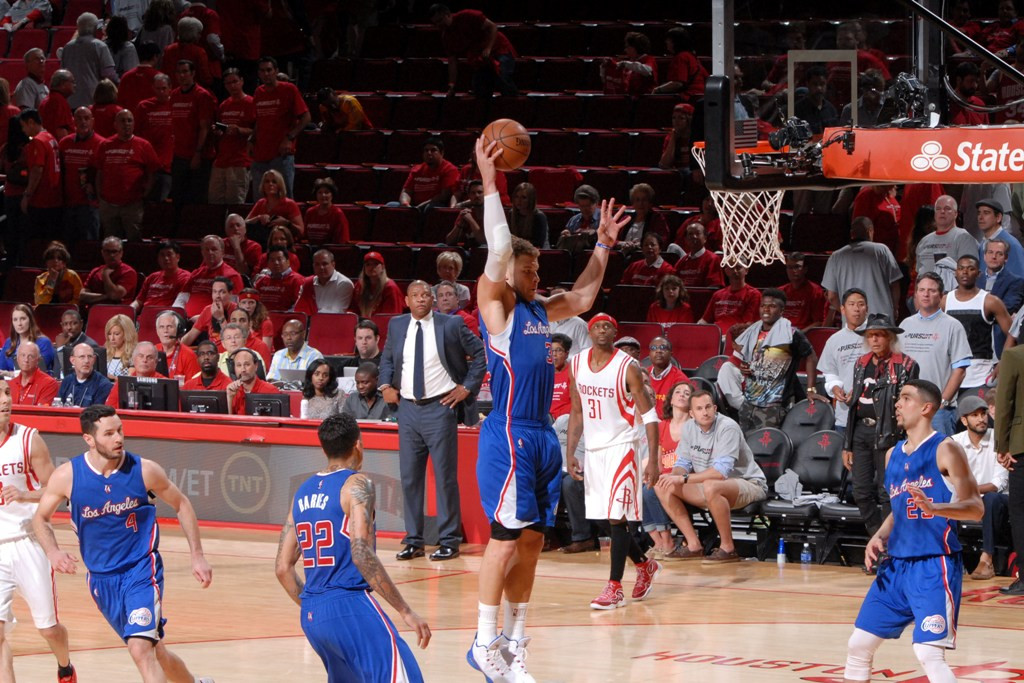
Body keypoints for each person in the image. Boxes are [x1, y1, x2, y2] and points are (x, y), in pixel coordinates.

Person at [468, 137, 628, 681]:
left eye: (538, 270)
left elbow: (582, 298)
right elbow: (497, 247)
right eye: (529, 271)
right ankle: (483, 640)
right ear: (508, 272)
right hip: (509, 434)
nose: (537, 277)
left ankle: (514, 643)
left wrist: (602, 245)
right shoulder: (497, 306)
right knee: (504, 539)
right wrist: (490, 181)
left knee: (533, 541)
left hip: (540, 436)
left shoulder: (539, 309)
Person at [32, 404, 215, 683]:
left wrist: (197, 555)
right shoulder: (68, 476)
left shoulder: (144, 470)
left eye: (120, 430)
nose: (118, 438)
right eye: (109, 434)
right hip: (102, 579)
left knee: (140, 649)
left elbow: (182, 504)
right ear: (89, 439)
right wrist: (53, 552)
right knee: (156, 652)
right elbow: (41, 518)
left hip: (141, 570)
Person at [843, 379, 983, 681]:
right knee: (858, 645)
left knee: (928, 653)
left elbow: (975, 507)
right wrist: (879, 535)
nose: (897, 403)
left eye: (906, 398)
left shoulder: (946, 449)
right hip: (896, 566)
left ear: (926, 408)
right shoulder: (892, 454)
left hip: (934, 565)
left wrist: (936, 508)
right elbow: (900, 508)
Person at [275, 413, 430, 681]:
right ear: (358, 445)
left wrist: (316, 607)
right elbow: (361, 553)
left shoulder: (302, 492)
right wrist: (405, 611)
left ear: (324, 449)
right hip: (350, 605)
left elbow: (282, 567)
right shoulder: (357, 483)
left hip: (312, 614)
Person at [379, 280, 486, 561]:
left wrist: (466, 387)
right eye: (416, 295)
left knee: (444, 478)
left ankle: (449, 540)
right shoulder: (397, 325)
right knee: (409, 478)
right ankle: (414, 540)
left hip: (440, 407)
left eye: (426, 294)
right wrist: (385, 385)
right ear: (406, 300)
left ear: (433, 299)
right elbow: (387, 358)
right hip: (407, 409)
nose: (421, 299)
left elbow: (480, 354)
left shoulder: (451, 325)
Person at [565, 313, 661, 609]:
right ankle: (644, 564)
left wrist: (653, 460)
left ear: (615, 333)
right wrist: (570, 452)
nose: (602, 330)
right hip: (594, 449)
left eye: (608, 326)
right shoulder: (576, 364)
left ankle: (614, 587)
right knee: (602, 518)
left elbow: (650, 415)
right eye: (597, 326)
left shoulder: (627, 366)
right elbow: (577, 411)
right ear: (589, 332)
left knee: (617, 516)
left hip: (623, 447)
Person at [0, 380, 78, 682]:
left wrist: (24, 495)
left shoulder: (28, 439)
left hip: (28, 540)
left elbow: (58, 488)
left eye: (7, 393)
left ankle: (65, 666)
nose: (5, 400)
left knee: (48, 629)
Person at [655, 390, 768, 562]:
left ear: (715, 408)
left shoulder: (728, 427)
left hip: (748, 483)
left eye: (708, 407)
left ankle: (728, 548)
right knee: (661, 485)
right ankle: (693, 545)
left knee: (711, 485)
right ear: (691, 413)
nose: (705, 412)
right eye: (699, 409)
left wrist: (683, 479)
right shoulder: (689, 428)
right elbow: (683, 463)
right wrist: (673, 476)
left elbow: (720, 473)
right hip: (709, 486)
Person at [843, 314, 920, 538]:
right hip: (860, 431)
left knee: (888, 492)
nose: (874, 340)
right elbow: (855, 405)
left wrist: (908, 440)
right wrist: (847, 444)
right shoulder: (861, 363)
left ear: (890, 338)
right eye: (870, 335)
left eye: (880, 335)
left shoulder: (906, 365)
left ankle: (889, 542)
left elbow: (910, 405)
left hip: (889, 433)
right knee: (860, 491)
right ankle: (877, 538)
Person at [735, 288, 825, 431]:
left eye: (772, 306)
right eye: (763, 305)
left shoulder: (791, 333)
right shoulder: (753, 331)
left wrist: (811, 389)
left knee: (768, 443)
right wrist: (744, 367)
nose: (766, 309)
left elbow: (811, 357)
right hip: (749, 401)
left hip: (774, 405)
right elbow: (749, 359)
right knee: (744, 442)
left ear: (782, 310)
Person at [899, 273, 974, 436]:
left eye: (932, 291)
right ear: (916, 294)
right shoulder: (905, 325)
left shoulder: (953, 326)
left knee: (939, 452)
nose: (926, 294)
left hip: (938, 410)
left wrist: (942, 402)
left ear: (941, 295)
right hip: (908, 407)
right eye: (921, 290)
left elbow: (960, 370)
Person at [952, 395, 1008, 581]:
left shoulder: (998, 439)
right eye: (975, 415)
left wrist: (967, 491)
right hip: (966, 500)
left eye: (983, 414)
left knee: (991, 498)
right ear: (964, 420)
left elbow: (998, 484)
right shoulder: (954, 443)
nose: (981, 419)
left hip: (998, 501)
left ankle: (986, 559)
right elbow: (949, 480)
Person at [942, 254, 1015, 395]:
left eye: (970, 269)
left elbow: (1013, 334)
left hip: (980, 375)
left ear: (978, 273)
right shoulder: (945, 301)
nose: (965, 272)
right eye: (961, 268)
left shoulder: (990, 301)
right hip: (949, 375)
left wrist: (1003, 362)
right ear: (955, 272)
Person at [250, 56, 310, 199]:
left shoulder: (289, 89)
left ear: (276, 71)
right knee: (260, 200)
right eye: (262, 71)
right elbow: (259, 120)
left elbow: (306, 117)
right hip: (260, 153)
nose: (266, 74)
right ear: (258, 74)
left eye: (269, 70)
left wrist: (289, 138)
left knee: (284, 198)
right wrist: (251, 139)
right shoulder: (258, 92)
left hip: (281, 154)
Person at [95, 109, 161, 240]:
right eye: (123, 121)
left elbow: (153, 172)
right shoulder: (105, 145)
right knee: (110, 241)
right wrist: (100, 197)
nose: (126, 124)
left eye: (129, 120)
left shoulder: (144, 145)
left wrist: (145, 194)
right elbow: (99, 172)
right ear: (115, 125)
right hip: (108, 204)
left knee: (134, 240)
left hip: (133, 204)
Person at [823, 217, 902, 324]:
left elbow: (832, 296)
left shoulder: (836, 256)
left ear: (852, 233)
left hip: (853, 323)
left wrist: (847, 313)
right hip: (882, 321)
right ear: (870, 231)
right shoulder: (882, 250)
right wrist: (895, 307)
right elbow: (895, 284)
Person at [644, 381, 691, 558]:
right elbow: (657, 461)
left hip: (684, 478)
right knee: (642, 487)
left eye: (687, 393)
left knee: (650, 491)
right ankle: (657, 541)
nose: (682, 395)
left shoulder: (694, 426)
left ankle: (668, 541)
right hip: (664, 476)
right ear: (670, 399)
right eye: (678, 392)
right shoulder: (662, 426)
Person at [431, 4, 517, 99]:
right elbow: (452, 62)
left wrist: (488, 48)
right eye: (436, 23)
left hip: (499, 49)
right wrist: (452, 85)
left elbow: (492, 27)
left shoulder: (468, 15)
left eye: (440, 21)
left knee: (503, 77)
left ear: (447, 14)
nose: (439, 25)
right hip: (480, 58)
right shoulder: (446, 37)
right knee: (479, 87)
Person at [994, 339, 1024, 595]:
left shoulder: (1015, 356)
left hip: (1021, 446)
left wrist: (1002, 446)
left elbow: (1004, 403)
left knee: (1021, 513)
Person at [820, 288, 870, 433]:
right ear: (842, 309)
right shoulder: (834, 340)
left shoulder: (877, 335)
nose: (856, 309)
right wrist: (835, 388)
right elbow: (830, 373)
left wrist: (861, 389)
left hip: (872, 415)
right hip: (844, 415)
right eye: (852, 304)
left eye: (861, 304)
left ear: (867, 309)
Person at [168, 59, 215, 207]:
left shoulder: (202, 95)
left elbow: (204, 127)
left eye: (185, 72)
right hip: (179, 154)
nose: (182, 75)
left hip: (198, 156)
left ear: (193, 73)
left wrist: (198, 153)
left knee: (197, 200)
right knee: (178, 198)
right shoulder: (174, 95)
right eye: (178, 72)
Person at [209, 69, 255, 205]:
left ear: (242, 81)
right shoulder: (224, 105)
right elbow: (220, 128)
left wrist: (239, 130)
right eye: (228, 83)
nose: (232, 86)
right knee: (214, 201)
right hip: (221, 160)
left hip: (240, 160)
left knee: (235, 203)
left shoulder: (251, 103)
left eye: (235, 81)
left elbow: (258, 130)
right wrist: (217, 131)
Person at [58, 106, 104, 242]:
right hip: (68, 203)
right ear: (73, 121)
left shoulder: (102, 144)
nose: (83, 122)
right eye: (79, 118)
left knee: (88, 244)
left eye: (86, 118)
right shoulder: (64, 143)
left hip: (90, 205)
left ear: (92, 121)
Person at [173, 235, 244, 320]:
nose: (210, 252)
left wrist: (202, 318)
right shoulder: (196, 273)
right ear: (202, 252)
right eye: (206, 250)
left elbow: (232, 308)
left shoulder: (232, 276)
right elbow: (181, 299)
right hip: (185, 320)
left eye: (214, 249)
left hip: (211, 321)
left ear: (222, 252)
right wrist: (175, 315)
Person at [60, 13, 117, 111]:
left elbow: (62, 72)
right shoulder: (100, 46)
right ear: (94, 28)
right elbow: (108, 74)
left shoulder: (67, 47)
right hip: (93, 98)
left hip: (71, 99)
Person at [20, 109, 62, 237]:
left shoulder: (37, 141)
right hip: (55, 197)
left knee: (38, 239)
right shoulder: (50, 137)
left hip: (42, 199)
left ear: (31, 122)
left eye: (23, 126)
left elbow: (37, 170)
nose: (23, 130)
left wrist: (27, 195)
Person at [981, 239, 1024, 358]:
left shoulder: (1016, 282)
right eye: (990, 252)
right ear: (984, 256)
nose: (993, 257)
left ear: (1006, 258)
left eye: (999, 253)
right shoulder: (974, 280)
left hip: (998, 341)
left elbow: (1007, 309)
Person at [915, 195, 979, 276]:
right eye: (938, 209)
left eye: (947, 208)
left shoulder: (964, 238)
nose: (942, 211)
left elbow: (969, 274)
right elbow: (919, 272)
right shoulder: (924, 241)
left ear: (955, 214)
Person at [135, 74, 173, 202]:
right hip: (148, 164)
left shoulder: (176, 105)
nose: (161, 92)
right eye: (158, 88)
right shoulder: (144, 106)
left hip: (169, 165)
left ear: (170, 88)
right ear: (153, 88)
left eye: (164, 88)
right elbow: (137, 134)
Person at [698, 264, 761, 336]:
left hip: (736, 337)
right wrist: (696, 328)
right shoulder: (717, 294)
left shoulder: (753, 294)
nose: (735, 271)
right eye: (731, 268)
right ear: (726, 271)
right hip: (715, 335)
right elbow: (705, 320)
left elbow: (749, 324)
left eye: (738, 267)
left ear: (746, 270)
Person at [399, 136, 459, 210]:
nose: (429, 153)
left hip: (434, 206)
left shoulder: (449, 169)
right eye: (426, 150)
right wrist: (405, 204)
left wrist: (420, 206)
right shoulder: (416, 169)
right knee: (391, 205)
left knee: (429, 208)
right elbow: (406, 191)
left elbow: (444, 196)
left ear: (442, 153)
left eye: (433, 150)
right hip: (414, 207)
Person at [104, 342, 168, 408]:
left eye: (149, 357)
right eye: (141, 356)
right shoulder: (122, 383)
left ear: (156, 362)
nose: (144, 360)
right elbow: (109, 409)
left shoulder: (166, 383)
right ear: (133, 359)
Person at [131, 240, 190, 312]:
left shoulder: (185, 277)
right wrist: (129, 310)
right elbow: (139, 301)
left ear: (178, 257)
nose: (166, 258)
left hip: (167, 315)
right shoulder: (152, 277)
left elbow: (180, 305)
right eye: (162, 255)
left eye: (169, 254)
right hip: (145, 314)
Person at [79, 236, 138, 306]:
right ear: (102, 253)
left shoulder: (128, 272)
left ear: (121, 253)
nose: (111, 255)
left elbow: (114, 295)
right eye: (107, 251)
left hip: (118, 310)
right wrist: (106, 296)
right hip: (94, 310)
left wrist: (105, 276)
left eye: (114, 251)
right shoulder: (95, 271)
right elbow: (82, 296)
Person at [248, 169, 304, 241]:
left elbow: (300, 231)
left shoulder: (289, 204)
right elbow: (245, 223)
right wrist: (258, 218)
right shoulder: (260, 203)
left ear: (280, 185)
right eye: (267, 181)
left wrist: (286, 223)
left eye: (274, 182)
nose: (270, 184)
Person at [652, 26, 707, 100]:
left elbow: (678, 83)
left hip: (689, 97)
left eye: (668, 40)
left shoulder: (681, 57)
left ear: (675, 42)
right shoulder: (692, 56)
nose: (666, 42)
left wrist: (657, 90)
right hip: (700, 96)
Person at [294, 249, 354, 315]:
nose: (321, 267)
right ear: (313, 266)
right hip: (311, 319)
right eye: (317, 264)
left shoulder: (344, 283)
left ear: (333, 264)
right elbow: (299, 309)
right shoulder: (308, 283)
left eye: (325, 264)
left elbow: (337, 312)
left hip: (335, 320)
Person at [977, 198, 1024, 278]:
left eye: (986, 213)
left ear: (998, 217)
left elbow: (1019, 278)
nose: (980, 217)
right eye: (979, 213)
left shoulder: (1011, 244)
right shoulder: (983, 242)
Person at [779, 252, 827, 330]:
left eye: (797, 267)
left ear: (805, 269)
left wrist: (799, 334)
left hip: (805, 334)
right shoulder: (780, 292)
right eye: (790, 267)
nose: (793, 270)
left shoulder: (816, 291)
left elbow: (819, 322)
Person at [0, 304, 54, 374]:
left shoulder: (44, 342)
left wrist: (11, 374)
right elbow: (1, 369)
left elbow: (37, 371)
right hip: (10, 380)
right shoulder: (9, 342)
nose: (19, 323)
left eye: (23, 319)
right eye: (15, 320)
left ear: (30, 320)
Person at [349, 251, 404, 318]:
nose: (371, 267)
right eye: (368, 264)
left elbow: (392, 316)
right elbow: (353, 309)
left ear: (382, 267)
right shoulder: (360, 285)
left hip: (382, 323)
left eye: (375, 264)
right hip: (361, 322)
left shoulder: (390, 287)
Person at [601, 31, 658, 96]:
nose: (625, 50)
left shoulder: (649, 59)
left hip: (646, 100)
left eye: (627, 47)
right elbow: (608, 81)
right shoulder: (629, 64)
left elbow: (648, 71)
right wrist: (604, 68)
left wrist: (625, 64)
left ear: (635, 47)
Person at [160, 17, 211, 88]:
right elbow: (205, 78)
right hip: (193, 90)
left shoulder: (168, 49)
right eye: (199, 33)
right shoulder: (199, 52)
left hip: (171, 89)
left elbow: (164, 71)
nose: (200, 36)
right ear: (193, 33)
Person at [225, 347, 278, 415]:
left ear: (256, 366)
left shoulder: (270, 391)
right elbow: (228, 420)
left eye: (247, 364)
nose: (243, 369)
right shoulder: (233, 391)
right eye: (239, 365)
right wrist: (230, 398)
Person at [619, 183, 669, 254]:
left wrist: (640, 245)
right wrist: (622, 244)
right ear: (633, 203)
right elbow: (611, 239)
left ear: (650, 203)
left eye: (644, 200)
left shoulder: (657, 218)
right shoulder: (626, 218)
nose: (640, 203)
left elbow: (662, 241)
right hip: (622, 253)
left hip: (644, 255)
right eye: (637, 200)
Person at [59, 342, 113, 407]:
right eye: (82, 357)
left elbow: (98, 411)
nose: (86, 361)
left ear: (94, 360)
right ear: (72, 360)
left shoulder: (103, 385)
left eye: (90, 357)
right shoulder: (67, 381)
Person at [674, 221, 724, 288]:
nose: (694, 236)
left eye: (698, 233)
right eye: (690, 234)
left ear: (705, 238)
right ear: (686, 239)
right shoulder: (681, 262)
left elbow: (714, 287)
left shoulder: (712, 259)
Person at [53, 309, 100, 379]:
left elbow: (69, 372)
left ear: (81, 324)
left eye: (74, 323)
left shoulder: (89, 346)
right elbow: (56, 372)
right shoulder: (60, 343)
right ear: (61, 325)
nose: (69, 327)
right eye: (65, 324)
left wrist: (60, 349)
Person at [116, 42, 162, 115]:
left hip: (130, 118)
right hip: (152, 118)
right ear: (154, 57)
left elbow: (120, 101)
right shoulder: (160, 77)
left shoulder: (126, 76)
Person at [253, 246, 304, 310]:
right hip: (262, 315)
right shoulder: (261, 281)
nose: (276, 263)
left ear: (288, 262)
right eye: (272, 260)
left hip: (286, 315)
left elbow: (300, 306)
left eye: (279, 259)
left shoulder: (297, 280)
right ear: (268, 263)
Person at [644, 336, 689, 406]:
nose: (658, 351)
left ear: (671, 354)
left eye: (663, 347)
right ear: (649, 355)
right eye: (654, 348)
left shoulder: (680, 380)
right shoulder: (643, 376)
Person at [10, 341, 58, 406]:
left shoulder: (49, 383)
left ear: (38, 360)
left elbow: (42, 411)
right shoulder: (11, 384)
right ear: (17, 359)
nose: (26, 360)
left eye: (30, 356)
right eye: (23, 355)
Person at [154, 310, 199, 380]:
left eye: (169, 326)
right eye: (161, 327)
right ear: (157, 331)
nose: (165, 330)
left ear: (178, 330)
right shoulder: (152, 351)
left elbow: (194, 384)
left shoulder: (189, 355)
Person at [303, 177, 349, 245]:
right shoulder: (310, 212)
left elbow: (342, 241)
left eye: (326, 192)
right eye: (320, 192)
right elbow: (304, 236)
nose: (323, 195)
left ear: (332, 194)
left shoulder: (338, 213)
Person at [34, 241, 82, 305]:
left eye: (59, 258)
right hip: (47, 310)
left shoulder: (73, 276)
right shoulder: (40, 279)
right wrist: (51, 281)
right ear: (46, 262)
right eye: (51, 257)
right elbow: (40, 303)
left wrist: (64, 308)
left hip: (68, 310)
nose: (55, 261)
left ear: (64, 263)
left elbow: (78, 300)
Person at [507, 182, 548, 249]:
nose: (519, 201)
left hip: (537, 252)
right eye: (517, 197)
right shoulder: (511, 214)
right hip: (517, 250)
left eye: (523, 197)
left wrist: (517, 243)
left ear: (531, 200)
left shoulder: (539, 216)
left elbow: (538, 243)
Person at [445, 179, 485, 248]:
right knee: (440, 245)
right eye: (473, 193)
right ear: (469, 196)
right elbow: (449, 241)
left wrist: (471, 220)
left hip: (485, 251)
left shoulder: (492, 214)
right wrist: (459, 224)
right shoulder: (466, 213)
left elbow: (483, 241)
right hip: (466, 250)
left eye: (480, 192)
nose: (476, 195)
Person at [39, 70, 75, 140]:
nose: (75, 85)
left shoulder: (46, 100)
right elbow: (61, 130)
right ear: (63, 84)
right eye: (72, 82)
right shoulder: (59, 101)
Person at [658, 103, 694, 170]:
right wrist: (673, 138)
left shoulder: (697, 136)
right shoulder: (670, 137)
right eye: (674, 118)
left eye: (681, 118)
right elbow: (664, 165)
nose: (676, 121)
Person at [103, 313, 136, 380]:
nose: (112, 338)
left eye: (116, 334)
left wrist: (113, 378)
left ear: (126, 334)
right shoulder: (105, 353)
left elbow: (130, 381)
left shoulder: (134, 355)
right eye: (109, 334)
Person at [549, 333, 572, 419]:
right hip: (547, 419)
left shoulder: (573, 373)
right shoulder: (544, 374)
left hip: (566, 419)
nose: (554, 354)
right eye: (551, 350)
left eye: (559, 350)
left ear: (566, 354)